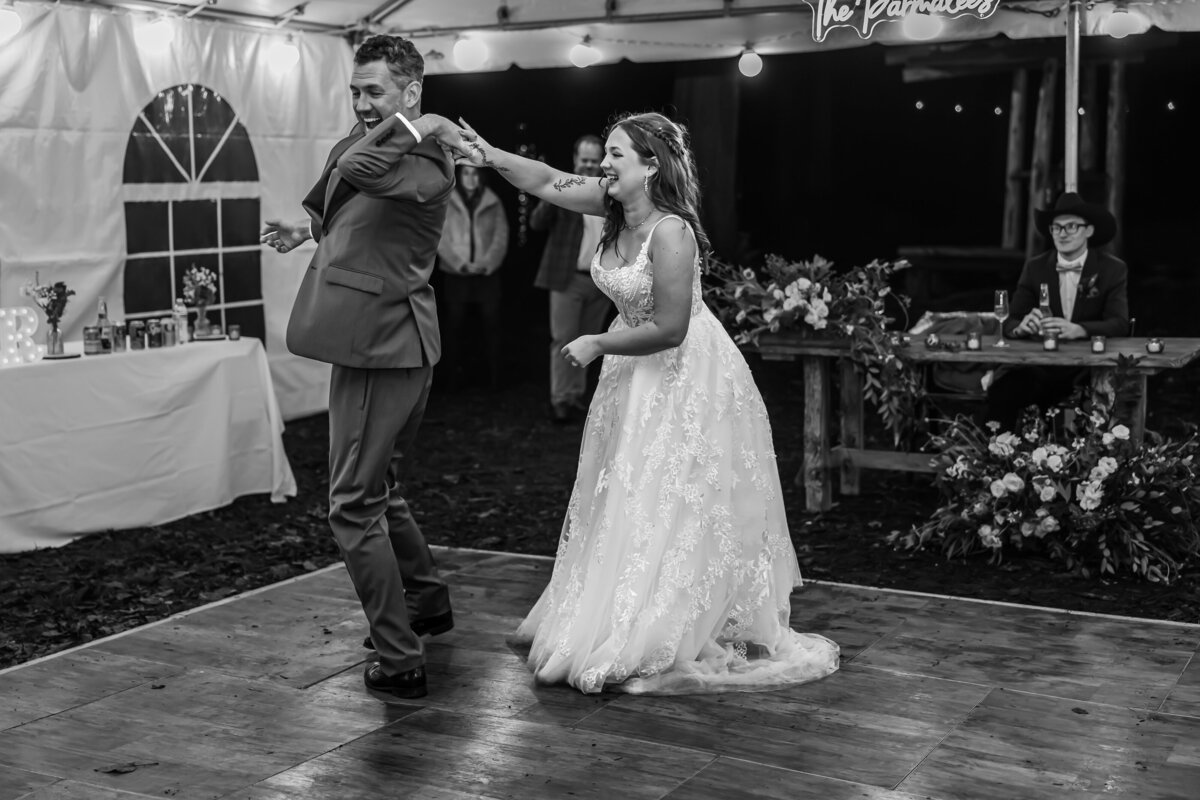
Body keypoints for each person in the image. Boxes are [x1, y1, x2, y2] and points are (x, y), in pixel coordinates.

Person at [456, 111, 840, 694]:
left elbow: (671, 329)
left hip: (686, 374)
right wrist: (489, 154)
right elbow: (544, 179)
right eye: (606, 154)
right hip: (630, 376)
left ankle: (666, 626)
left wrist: (596, 342)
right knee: (627, 490)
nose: (605, 165)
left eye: (616, 155)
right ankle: (621, 610)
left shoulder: (671, 232)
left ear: (651, 167)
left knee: (675, 496)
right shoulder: (609, 203)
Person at [259, 34, 470, 703]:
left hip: (385, 343)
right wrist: (306, 229)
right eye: (354, 90)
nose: (360, 103)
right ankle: (426, 604)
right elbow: (347, 191)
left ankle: (400, 658)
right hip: (373, 340)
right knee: (379, 489)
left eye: (374, 91)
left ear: (411, 92)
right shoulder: (375, 141)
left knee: (352, 505)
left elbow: (362, 168)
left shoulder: (426, 157)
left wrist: (425, 125)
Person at [985, 192, 1130, 432]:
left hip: (1088, 367)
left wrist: (1080, 329)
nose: (1062, 233)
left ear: (1089, 230)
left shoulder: (1112, 269)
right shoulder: (1035, 267)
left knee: (1106, 396)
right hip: (1042, 365)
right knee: (1003, 390)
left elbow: (1120, 323)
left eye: (1071, 226)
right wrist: (1021, 327)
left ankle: (1092, 452)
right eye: (1056, 228)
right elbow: (1009, 320)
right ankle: (997, 451)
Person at [528, 134, 613, 423]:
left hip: (601, 281)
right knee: (563, 340)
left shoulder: (610, 193)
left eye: (593, 160)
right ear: (575, 159)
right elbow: (537, 222)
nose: (588, 165)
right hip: (568, 278)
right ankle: (560, 399)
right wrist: (557, 189)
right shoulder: (563, 187)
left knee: (589, 340)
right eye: (584, 160)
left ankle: (576, 395)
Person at [436, 164, 510, 389]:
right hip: (456, 274)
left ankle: (495, 379)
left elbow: (501, 236)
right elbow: (440, 235)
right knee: (453, 326)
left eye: (475, 173)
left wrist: (487, 264)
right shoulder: (446, 200)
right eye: (466, 173)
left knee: (492, 325)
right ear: (459, 175)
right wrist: (459, 263)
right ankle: (451, 380)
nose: (470, 178)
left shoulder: (492, 201)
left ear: (481, 176)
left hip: (486, 275)